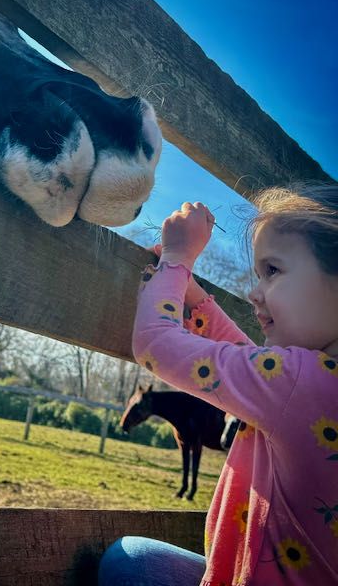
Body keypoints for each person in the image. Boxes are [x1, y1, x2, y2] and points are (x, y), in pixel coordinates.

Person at [99, 182, 338, 585]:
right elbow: (250, 364)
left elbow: (155, 344)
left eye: (272, 271)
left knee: (124, 561)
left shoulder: (296, 383)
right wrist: (197, 302)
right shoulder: (314, 385)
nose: (253, 292)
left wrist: (176, 259)